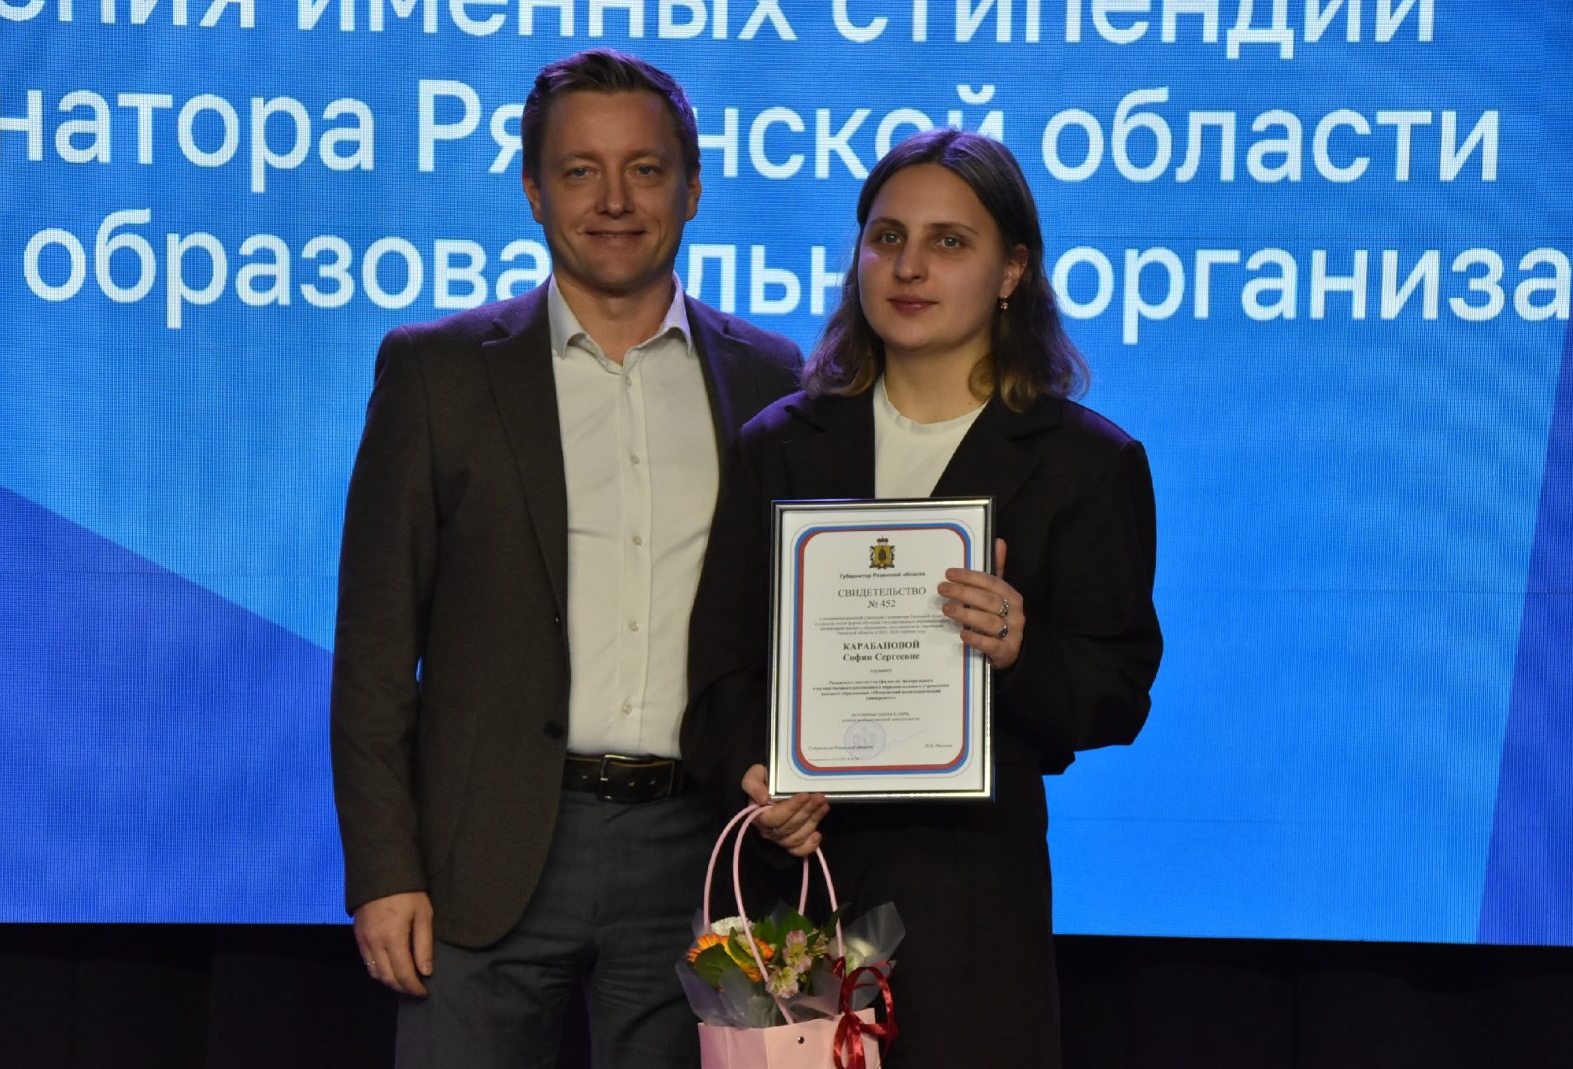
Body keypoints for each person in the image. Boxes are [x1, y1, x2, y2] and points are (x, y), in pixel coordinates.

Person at [330, 48, 803, 1068]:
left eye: (645, 169)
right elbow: (374, 652)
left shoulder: (772, 377)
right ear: (535, 191)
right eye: (581, 170)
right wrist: (381, 869)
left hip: (700, 855)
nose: (614, 200)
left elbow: (792, 628)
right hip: (482, 852)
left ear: (692, 188)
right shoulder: (436, 372)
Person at [681, 128, 1162, 1067]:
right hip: (801, 893)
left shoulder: (1088, 462)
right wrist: (757, 778)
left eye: (950, 241)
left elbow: (1116, 693)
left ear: (1013, 269)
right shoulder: (779, 444)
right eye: (887, 237)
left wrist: (1020, 649)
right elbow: (720, 674)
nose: (909, 266)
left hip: (972, 903)